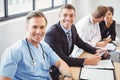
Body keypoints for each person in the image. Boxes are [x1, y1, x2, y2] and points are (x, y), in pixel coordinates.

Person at [0, 10, 72, 80]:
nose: (38, 32)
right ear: (27, 27)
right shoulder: (14, 51)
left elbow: (60, 63)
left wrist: (68, 76)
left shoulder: (45, 47)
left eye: (42, 27)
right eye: (34, 27)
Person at [44, 4, 109, 80]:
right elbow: (62, 59)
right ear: (59, 16)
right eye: (65, 15)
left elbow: (81, 43)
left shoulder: (72, 28)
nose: (68, 18)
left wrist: (96, 50)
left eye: (71, 16)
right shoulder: (52, 34)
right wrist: (87, 61)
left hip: (67, 64)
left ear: (75, 17)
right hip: (53, 71)